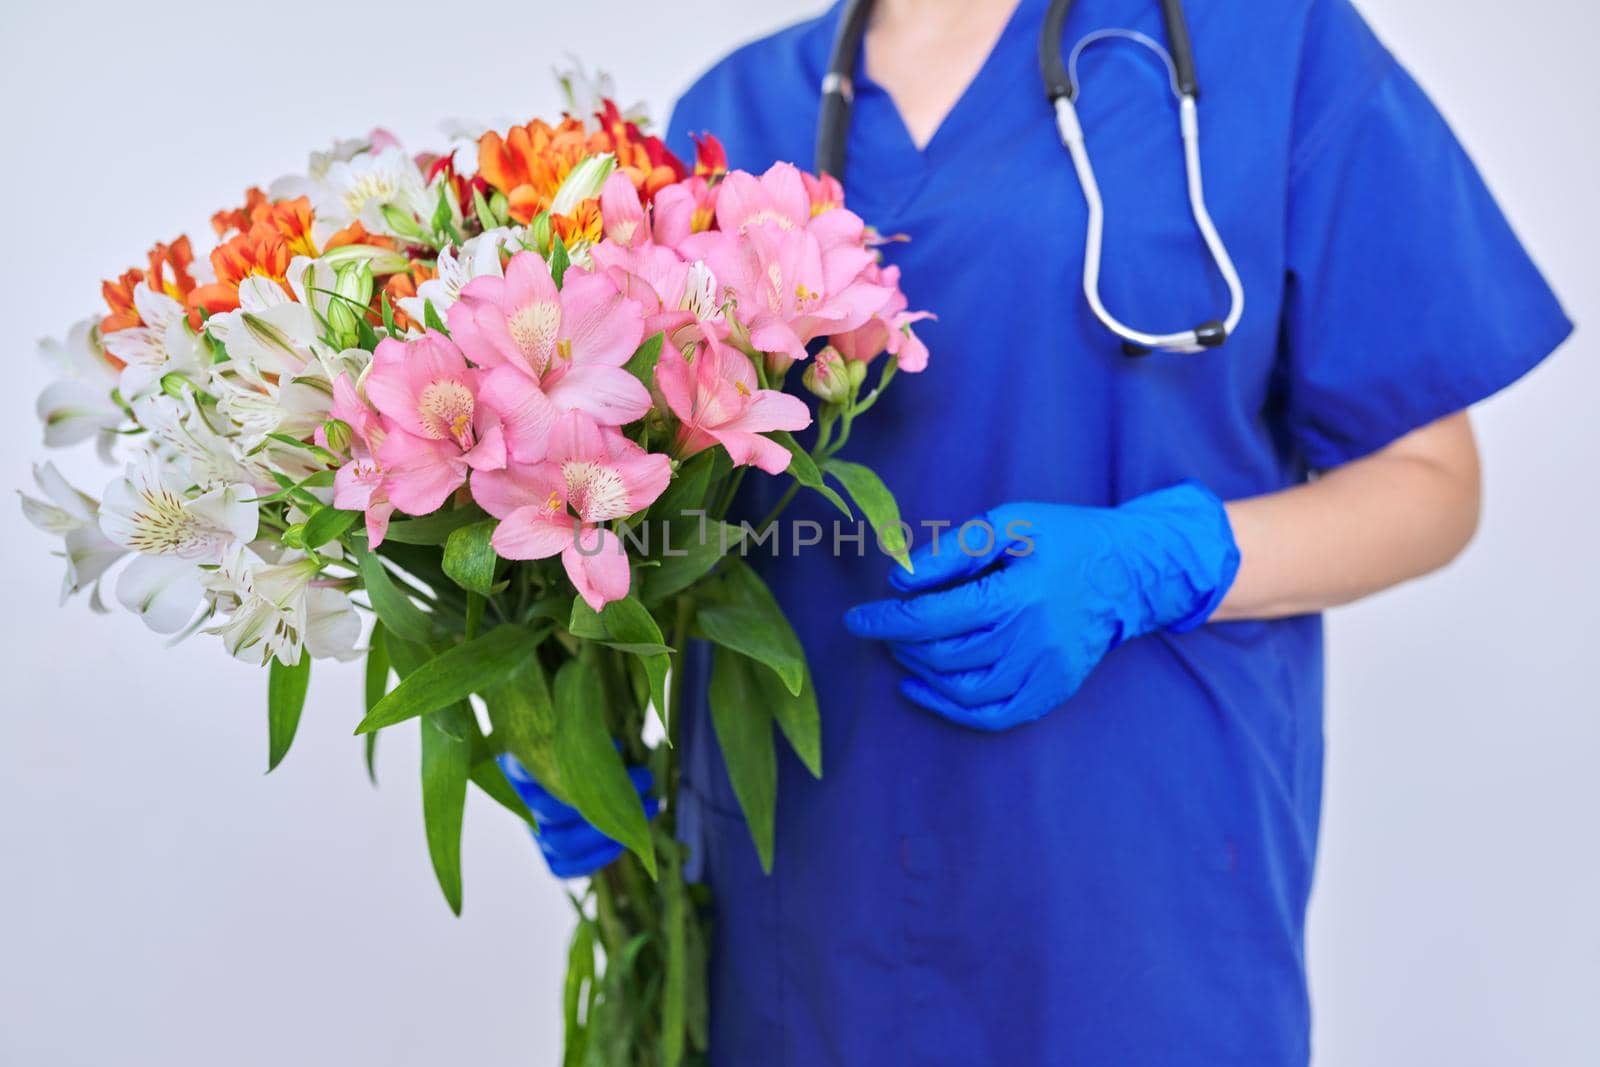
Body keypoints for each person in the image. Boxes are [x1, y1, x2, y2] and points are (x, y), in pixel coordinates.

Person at [505, 0, 1572, 1062]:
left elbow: (1430, 482)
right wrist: (577, 712)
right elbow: (656, 497)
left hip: (1139, 888)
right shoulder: (735, 109)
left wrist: (1160, 561)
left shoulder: (1270, 42)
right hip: (801, 905)